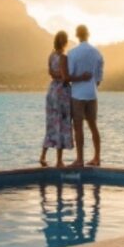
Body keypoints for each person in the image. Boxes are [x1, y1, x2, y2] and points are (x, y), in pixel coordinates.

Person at [39, 30, 90, 167]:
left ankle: (43, 156)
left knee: (51, 125)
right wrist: (81, 77)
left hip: (52, 91)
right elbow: (66, 78)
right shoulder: (63, 57)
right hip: (62, 92)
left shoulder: (51, 55)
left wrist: (58, 75)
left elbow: (51, 72)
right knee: (61, 125)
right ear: (65, 42)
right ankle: (59, 161)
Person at [66, 24, 104, 167]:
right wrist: (92, 85)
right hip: (92, 93)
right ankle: (97, 157)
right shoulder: (97, 53)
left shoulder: (73, 53)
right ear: (88, 34)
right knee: (93, 125)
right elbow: (99, 77)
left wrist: (79, 80)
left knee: (78, 126)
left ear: (77, 35)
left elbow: (69, 75)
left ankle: (80, 159)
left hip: (77, 94)